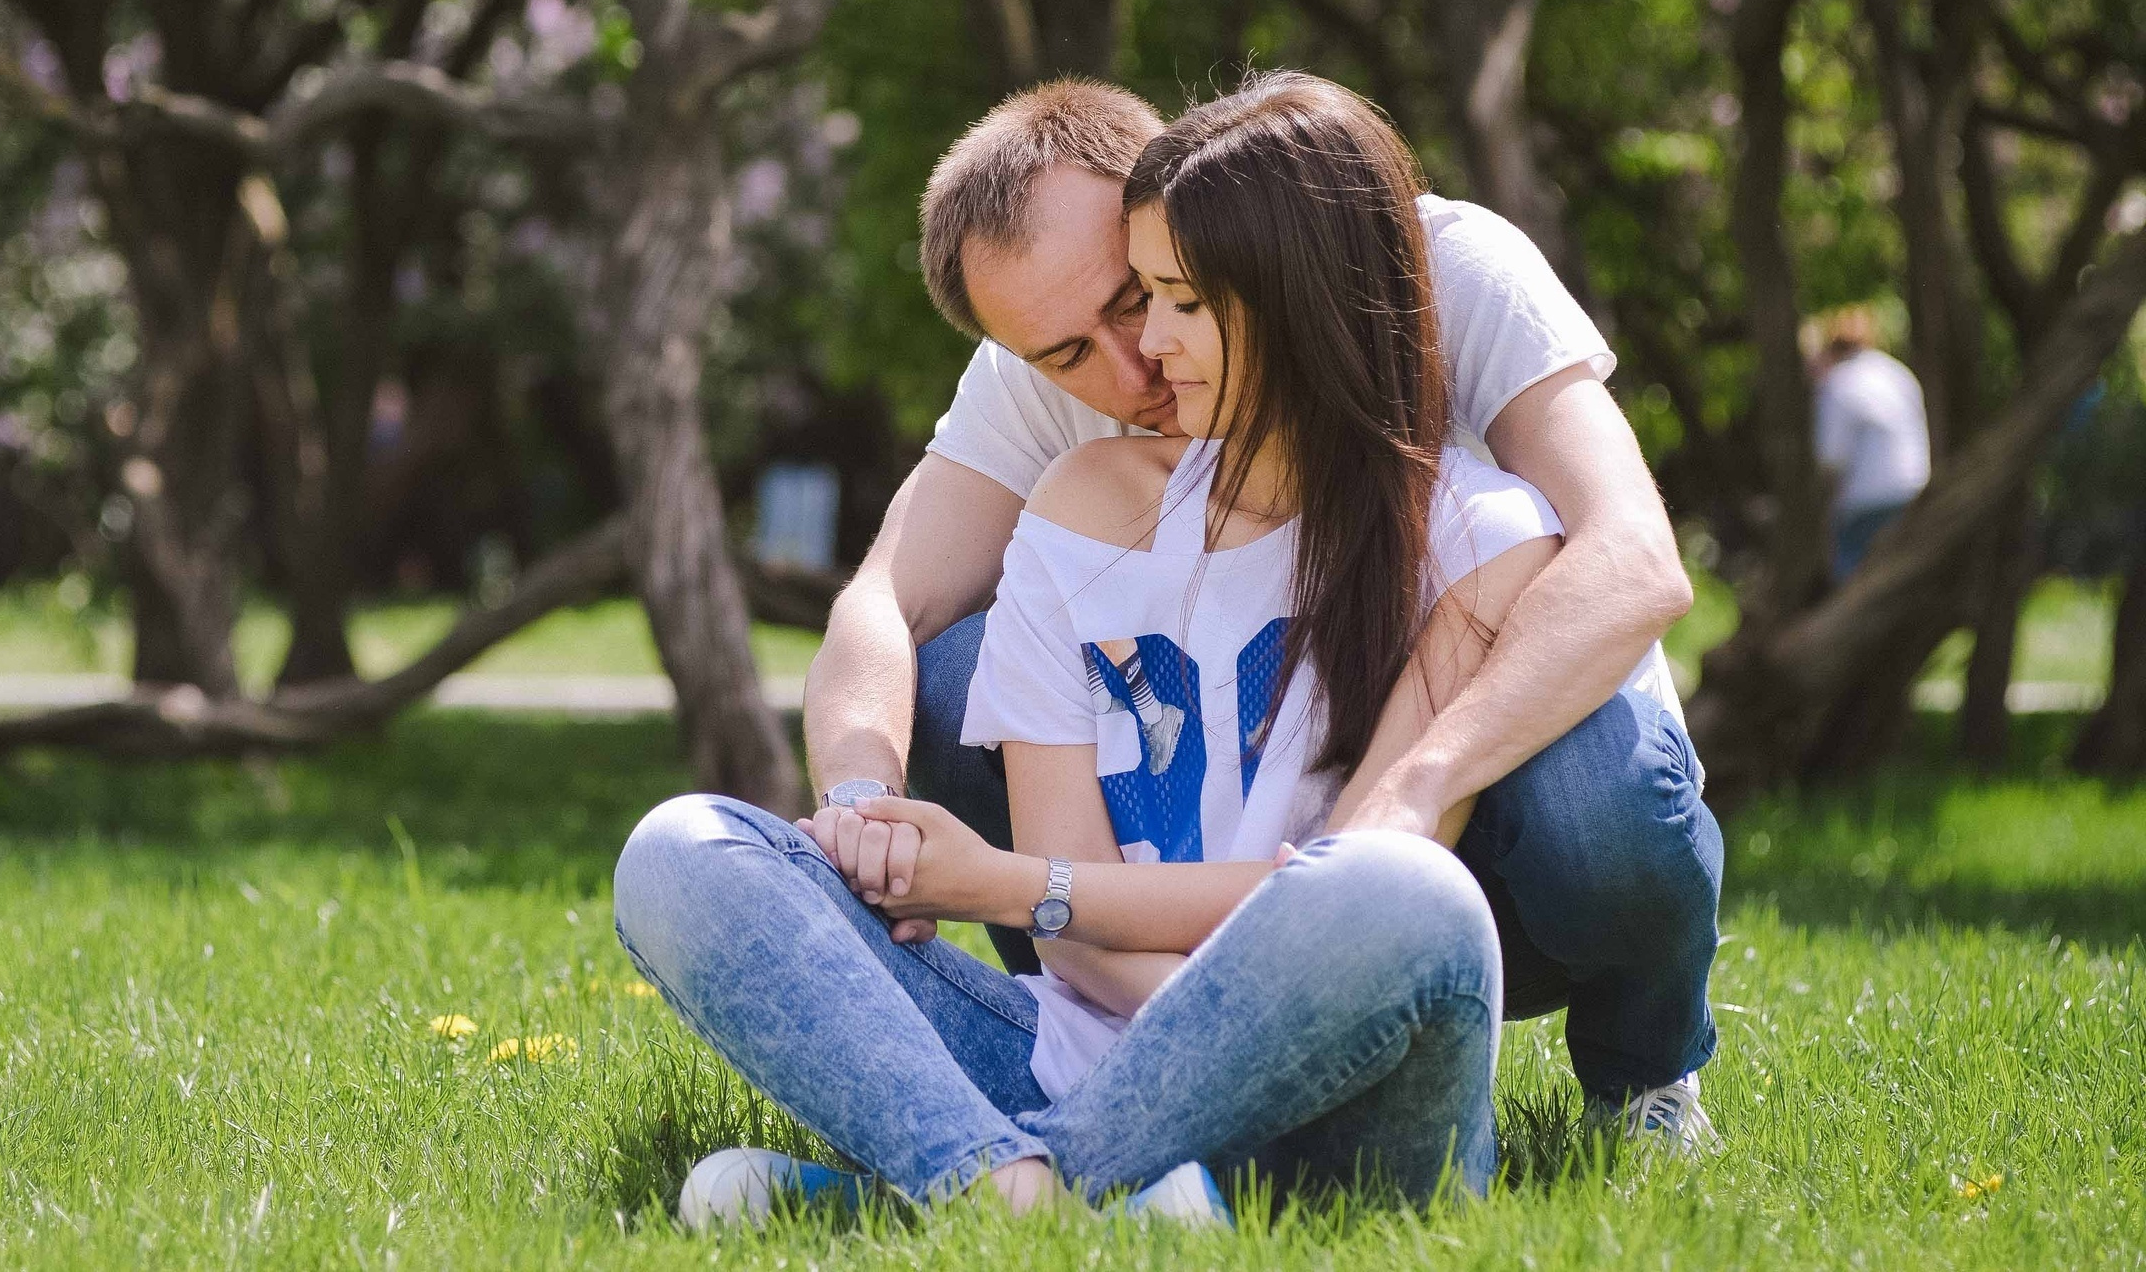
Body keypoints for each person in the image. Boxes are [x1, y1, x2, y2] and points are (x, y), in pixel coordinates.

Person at [614, 77, 1722, 1228]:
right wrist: (862, 811)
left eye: (1158, 297)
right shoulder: (1073, 505)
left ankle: (970, 1187)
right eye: (1074, 348)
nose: (1139, 354)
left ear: (1249, 257)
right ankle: (1038, 1191)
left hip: (1423, 939)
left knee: (1407, 887)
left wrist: (1006, 887)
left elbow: (1630, 568)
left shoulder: (1472, 497)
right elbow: (888, 602)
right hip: (1106, 1021)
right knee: (682, 848)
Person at [1806, 307, 1931, 582]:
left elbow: (1830, 457)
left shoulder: (1839, 382)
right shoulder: (1897, 373)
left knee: (1850, 571)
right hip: (1914, 489)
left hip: (1867, 499)